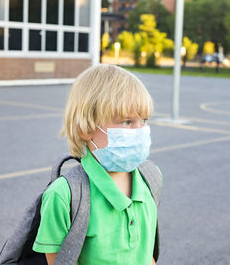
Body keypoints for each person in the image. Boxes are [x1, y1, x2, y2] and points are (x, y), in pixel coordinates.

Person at [32, 64, 161, 265]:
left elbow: (147, 253)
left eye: (144, 120)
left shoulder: (151, 178)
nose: (140, 130)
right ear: (86, 127)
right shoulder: (63, 196)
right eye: (127, 121)